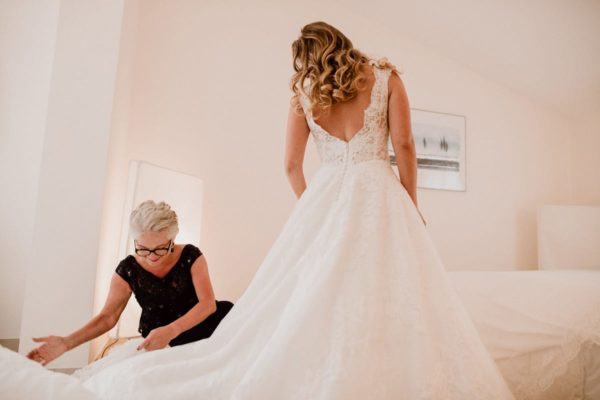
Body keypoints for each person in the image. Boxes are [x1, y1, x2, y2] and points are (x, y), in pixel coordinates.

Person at [26, 22, 515, 399]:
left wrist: (314, 211)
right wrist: (411, 203)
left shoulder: (303, 94)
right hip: (378, 188)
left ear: (307, 59)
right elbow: (405, 146)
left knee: (318, 292)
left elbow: (290, 165)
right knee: (394, 283)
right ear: (342, 45)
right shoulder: (385, 77)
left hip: (328, 192)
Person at [26, 200, 233, 366]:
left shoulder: (190, 255)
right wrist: (66, 342)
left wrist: (171, 330)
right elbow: (107, 318)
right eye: (142, 248)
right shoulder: (128, 269)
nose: (151, 257)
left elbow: (207, 305)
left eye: (160, 248)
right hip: (159, 340)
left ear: (173, 238)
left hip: (204, 326)